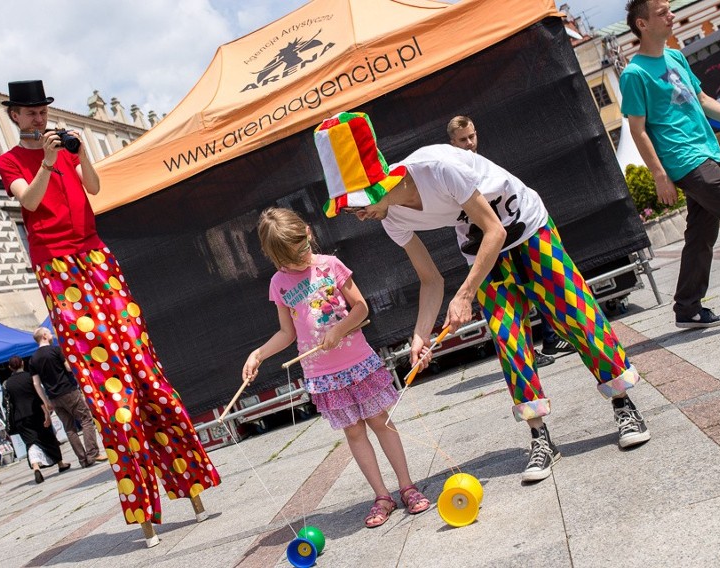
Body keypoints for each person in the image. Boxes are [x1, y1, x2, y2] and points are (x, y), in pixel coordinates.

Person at [314, 112, 650, 483]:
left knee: (575, 315)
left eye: (357, 205)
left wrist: (466, 294)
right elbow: (430, 280)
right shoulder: (390, 218)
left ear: (378, 185)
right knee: (508, 338)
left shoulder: (438, 167)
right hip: (481, 247)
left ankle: (624, 404)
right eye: (348, 210)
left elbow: (495, 230)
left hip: (527, 227)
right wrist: (420, 335)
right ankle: (539, 437)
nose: (358, 216)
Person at [0, 80, 220, 547]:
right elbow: (30, 201)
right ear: (14, 116)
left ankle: (189, 479)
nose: (39, 120)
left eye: (42, 112)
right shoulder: (9, 160)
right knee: (109, 388)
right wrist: (51, 162)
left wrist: (81, 152)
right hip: (58, 267)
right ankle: (143, 507)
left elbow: (94, 188)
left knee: (145, 370)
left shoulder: (66, 149)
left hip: (96, 256)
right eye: (30, 113)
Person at [242, 207, 430, 527]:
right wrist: (258, 354)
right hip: (322, 375)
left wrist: (339, 329)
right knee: (354, 432)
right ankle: (381, 495)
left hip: (357, 361)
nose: (299, 260)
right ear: (275, 259)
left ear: (309, 234)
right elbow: (287, 333)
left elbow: (361, 308)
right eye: (289, 259)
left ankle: (407, 486)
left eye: (302, 250)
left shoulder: (330, 265)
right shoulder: (279, 283)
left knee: (380, 421)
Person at [621, 0, 720, 329]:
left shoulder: (675, 56)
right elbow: (638, 130)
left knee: (701, 234)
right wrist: (659, 175)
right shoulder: (634, 74)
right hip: (686, 161)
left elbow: (701, 100)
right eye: (662, 12)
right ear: (642, 24)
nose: (671, 16)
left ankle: (687, 307)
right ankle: (688, 306)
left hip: (705, 152)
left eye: (671, 9)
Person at [446, 116, 576, 366]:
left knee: (543, 285)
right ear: (452, 143)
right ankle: (528, 351)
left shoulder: (483, 163)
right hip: (487, 244)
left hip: (515, 234)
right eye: (463, 140)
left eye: (472, 136)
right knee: (511, 305)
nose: (470, 143)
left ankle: (551, 337)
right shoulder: (454, 171)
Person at [29, 327, 103, 469]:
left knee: (69, 428)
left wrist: (46, 401)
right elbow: (69, 368)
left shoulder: (33, 360)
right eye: (49, 332)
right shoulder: (56, 350)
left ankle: (83, 459)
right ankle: (92, 453)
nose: (51, 334)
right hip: (68, 390)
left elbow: (36, 383)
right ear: (44, 336)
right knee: (86, 419)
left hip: (53, 397)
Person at [3, 356, 70, 484]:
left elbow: (6, 403)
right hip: (36, 413)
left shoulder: (7, 384)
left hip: (20, 417)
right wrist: (46, 413)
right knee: (48, 438)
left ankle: (36, 467)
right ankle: (60, 464)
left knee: (31, 442)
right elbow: (38, 397)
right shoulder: (30, 377)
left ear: (10, 367)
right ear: (23, 363)